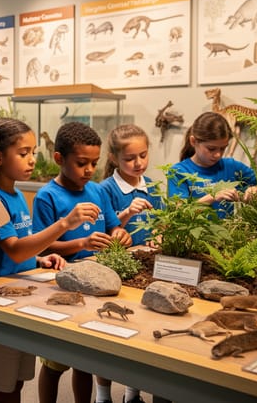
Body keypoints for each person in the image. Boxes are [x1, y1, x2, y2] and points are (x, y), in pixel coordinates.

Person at [0, 117, 99, 403]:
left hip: (22, 297)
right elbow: (15, 249)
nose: (32, 160)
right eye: (23, 153)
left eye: (34, 153)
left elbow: (23, 250)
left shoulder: (17, 194)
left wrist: (40, 260)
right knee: (0, 385)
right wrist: (65, 223)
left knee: (16, 381)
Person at [32, 121, 131, 403]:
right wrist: (80, 244)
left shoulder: (97, 191)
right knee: (54, 363)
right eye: (81, 163)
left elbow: (114, 226)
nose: (89, 170)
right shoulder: (47, 196)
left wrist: (119, 234)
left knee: (85, 359)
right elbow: (43, 244)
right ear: (59, 159)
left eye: (94, 163)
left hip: (97, 284)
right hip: (62, 286)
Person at [94, 124, 162, 403]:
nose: (139, 163)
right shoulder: (105, 189)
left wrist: (160, 235)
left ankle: (132, 393)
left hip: (147, 270)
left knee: (140, 330)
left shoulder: (153, 187)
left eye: (143, 156)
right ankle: (103, 395)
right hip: (117, 269)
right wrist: (125, 213)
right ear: (114, 158)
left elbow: (160, 223)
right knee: (110, 335)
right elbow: (108, 232)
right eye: (130, 158)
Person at [168, 111, 257, 219]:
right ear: (193, 141)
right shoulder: (178, 172)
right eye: (211, 149)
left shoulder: (230, 166)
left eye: (223, 148)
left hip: (227, 234)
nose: (218, 154)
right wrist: (213, 197)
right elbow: (179, 215)